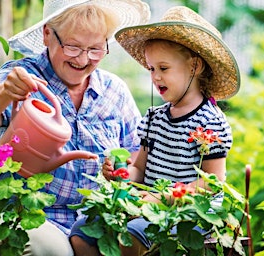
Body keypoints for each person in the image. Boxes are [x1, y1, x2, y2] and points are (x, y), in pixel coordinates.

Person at [0, 0, 151, 255]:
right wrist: (5, 92)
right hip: (17, 214)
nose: (83, 59)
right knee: (51, 251)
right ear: (48, 34)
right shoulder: (22, 77)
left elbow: (136, 157)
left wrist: (123, 173)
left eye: (95, 49)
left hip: (87, 224)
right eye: (73, 47)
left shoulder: (114, 92)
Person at [69, 6, 241, 255]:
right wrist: (121, 174)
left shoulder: (210, 123)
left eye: (163, 68)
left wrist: (165, 198)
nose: (155, 77)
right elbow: (140, 168)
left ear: (195, 66)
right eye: (151, 69)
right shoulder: (154, 118)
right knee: (83, 230)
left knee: (131, 236)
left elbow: (211, 183)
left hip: (188, 214)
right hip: (148, 208)